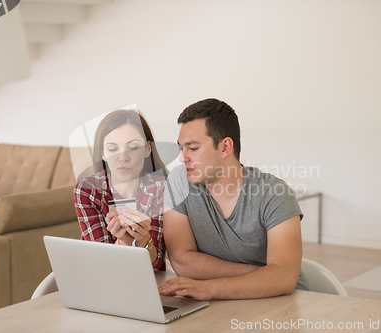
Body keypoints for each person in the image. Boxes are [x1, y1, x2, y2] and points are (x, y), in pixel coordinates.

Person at [160, 98, 308, 300]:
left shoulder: (275, 193)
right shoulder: (179, 181)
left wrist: (209, 288)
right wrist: (263, 275)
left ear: (225, 147)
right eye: (181, 148)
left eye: (193, 148)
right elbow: (182, 262)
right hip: (223, 306)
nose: (183, 158)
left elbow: (284, 278)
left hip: (281, 304)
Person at [74, 109, 167, 271]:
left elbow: (157, 265)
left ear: (147, 149)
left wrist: (144, 239)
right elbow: (101, 265)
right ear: (102, 153)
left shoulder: (162, 187)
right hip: (103, 281)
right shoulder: (87, 190)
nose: (123, 157)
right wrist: (123, 241)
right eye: (112, 149)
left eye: (132, 147)